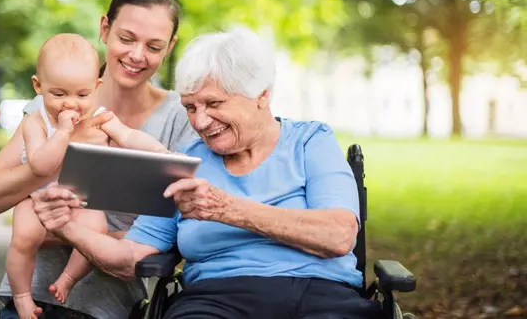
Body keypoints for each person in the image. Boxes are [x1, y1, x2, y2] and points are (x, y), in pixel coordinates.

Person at [31, 27, 385, 319]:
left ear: (261, 95)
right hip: (215, 300)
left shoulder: (310, 141)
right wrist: (66, 225)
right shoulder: (183, 161)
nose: (199, 122)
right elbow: (130, 260)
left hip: (321, 295)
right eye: (190, 107)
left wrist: (227, 210)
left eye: (214, 104)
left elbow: (338, 235)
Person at [0, 0, 197, 319]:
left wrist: (62, 230)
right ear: (105, 29)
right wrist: (48, 165)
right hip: (32, 299)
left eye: (154, 46)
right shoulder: (46, 108)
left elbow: (176, 233)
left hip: (109, 309)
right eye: (127, 38)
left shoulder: (181, 116)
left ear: (170, 47)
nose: (136, 55)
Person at [7, 33, 172, 319]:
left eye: (82, 95)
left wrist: (162, 153)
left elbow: (130, 137)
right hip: (39, 199)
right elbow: (39, 166)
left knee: (96, 228)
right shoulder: (36, 121)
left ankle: (68, 279)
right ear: (38, 86)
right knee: (23, 237)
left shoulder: (100, 116)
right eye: (59, 94)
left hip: (78, 199)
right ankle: (21, 296)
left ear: (96, 87)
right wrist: (63, 133)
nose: (70, 104)